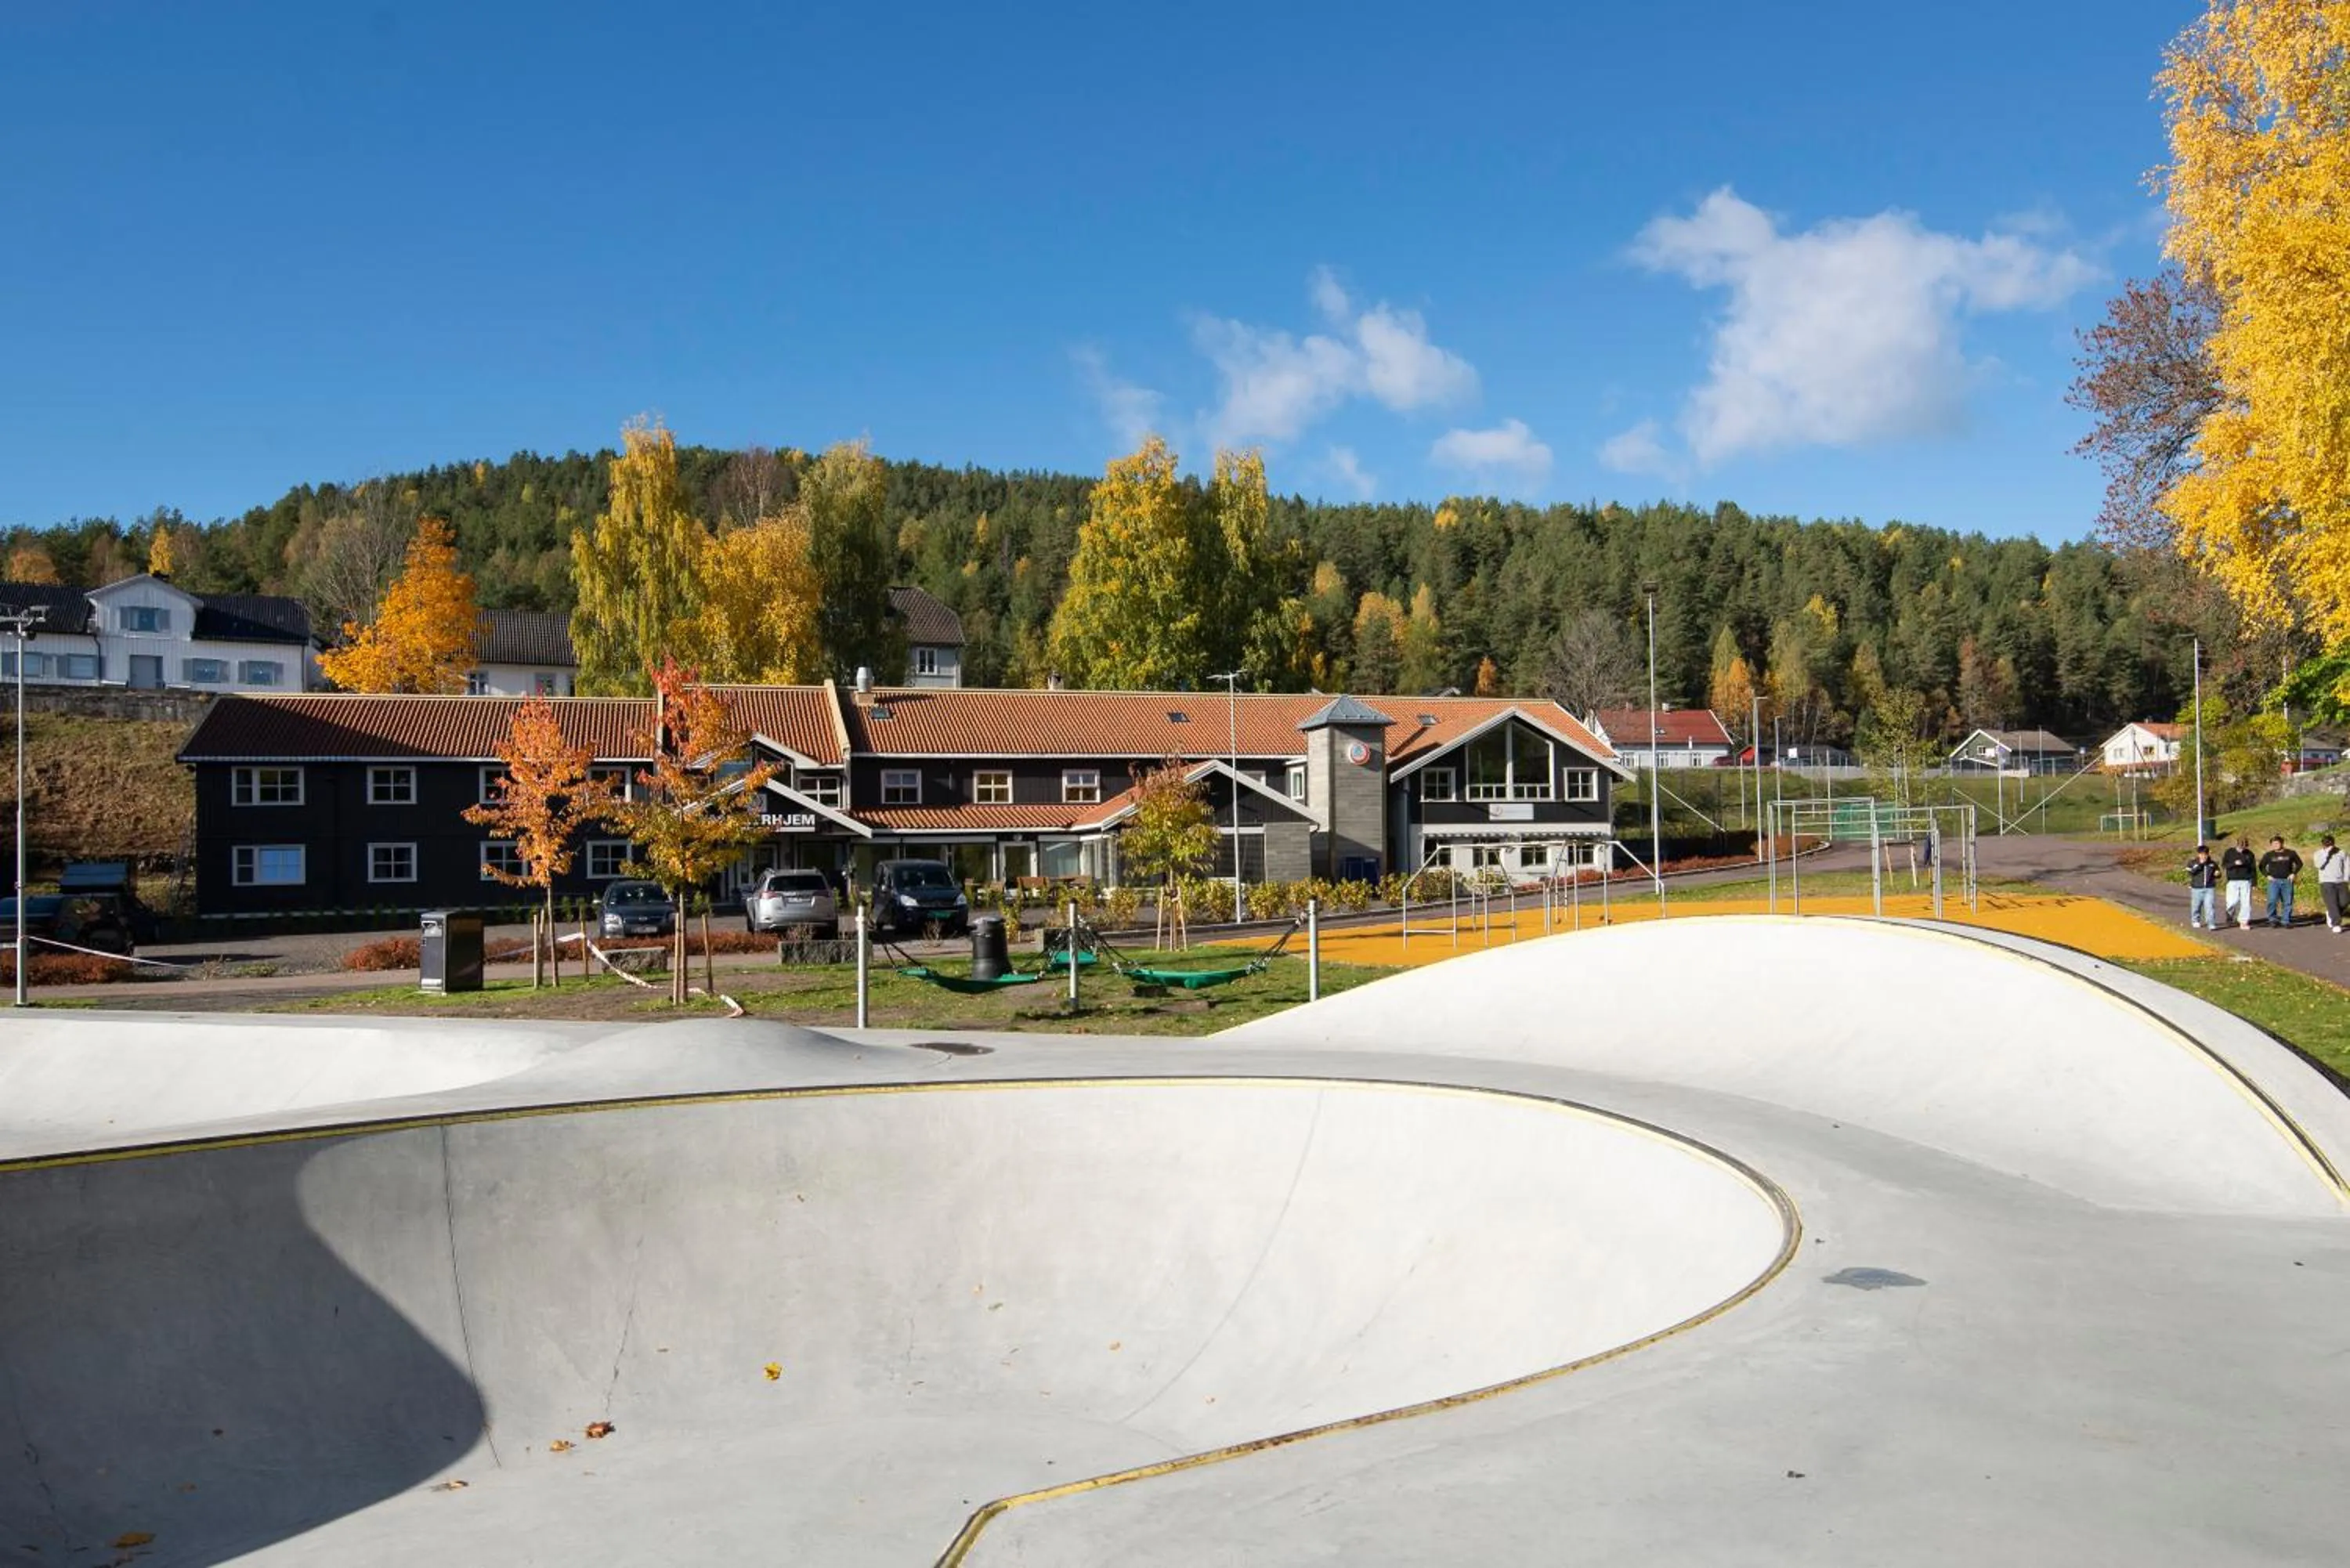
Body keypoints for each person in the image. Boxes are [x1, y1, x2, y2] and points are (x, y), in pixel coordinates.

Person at [2261, 835, 2304, 928]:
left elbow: (2299, 864)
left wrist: (2294, 873)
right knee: (2272, 901)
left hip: (2287, 881)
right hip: (2274, 881)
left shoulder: (2291, 853)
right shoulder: (2268, 855)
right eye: (2273, 844)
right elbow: (2261, 866)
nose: (2275, 845)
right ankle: (2272, 919)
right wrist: (2267, 875)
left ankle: (2286, 921)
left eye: (2277, 843)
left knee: (2287, 902)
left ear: (2282, 843)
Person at [2221, 836, 2258, 930]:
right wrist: (2234, 863)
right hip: (2233, 880)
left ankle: (2244, 921)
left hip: (2246, 881)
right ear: (2237, 844)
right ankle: (2230, 916)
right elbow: (2224, 865)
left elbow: (2253, 869)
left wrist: (2254, 883)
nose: (2242, 847)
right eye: (2241, 845)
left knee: (2246, 903)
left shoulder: (2250, 854)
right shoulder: (2229, 852)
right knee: (2232, 902)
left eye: (2245, 846)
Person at [2318, 833, 2348, 934]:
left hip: (2341, 881)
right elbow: (2318, 865)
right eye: (2326, 844)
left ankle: (2331, 914)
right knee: (2332, 903)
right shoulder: (2319, 853)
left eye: (2330, 844)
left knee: (2345, 901)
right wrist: (2327, 854)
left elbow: (2348, 865)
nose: (2329, 846)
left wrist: (2346, 878)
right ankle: (2336, 924)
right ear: (2323, 844)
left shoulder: (2342, 853)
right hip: (2326, 882)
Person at [2186, 844, 2220, 930]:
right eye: (2201, 854)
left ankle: (2211, 923)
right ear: (2198, 854)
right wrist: (2200, 864)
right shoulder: (2192, 863)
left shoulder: (2212, 864)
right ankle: (2195, 920)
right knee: (2196, 905)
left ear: (2208, 854)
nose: (2203, 856)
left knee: (2209, 906)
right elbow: (2191, 872)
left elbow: (2218, 873)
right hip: (2197, 888)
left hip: (2209, 888)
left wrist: (2217, 874)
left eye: (2205, 854)